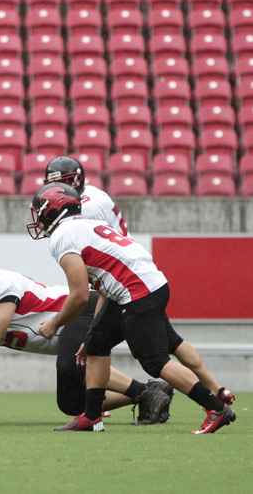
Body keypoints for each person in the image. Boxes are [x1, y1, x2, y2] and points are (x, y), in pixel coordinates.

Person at [27, 182, 236, 433]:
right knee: (96, 345)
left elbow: (80, 295)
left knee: (155, 362)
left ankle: (215, 408)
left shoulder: (63, 236)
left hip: (137, 292)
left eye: (39, 210)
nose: (37, 217)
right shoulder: (89, 225)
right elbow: (105, 287)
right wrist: (94, 331)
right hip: (141, 285)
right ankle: (91, 417)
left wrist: (53, 324)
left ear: (52, 210)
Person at [0, 246, 171, 426]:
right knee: (71, 404)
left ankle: (144, 393)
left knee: (72, 364)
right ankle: (151, 391)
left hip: (82, 310)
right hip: (69, 328)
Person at [44, 156, 127, 236]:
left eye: (62, 182)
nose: (56, 188)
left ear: (77, 180)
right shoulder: (90, 191)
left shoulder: (88, 207)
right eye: (52, 183)